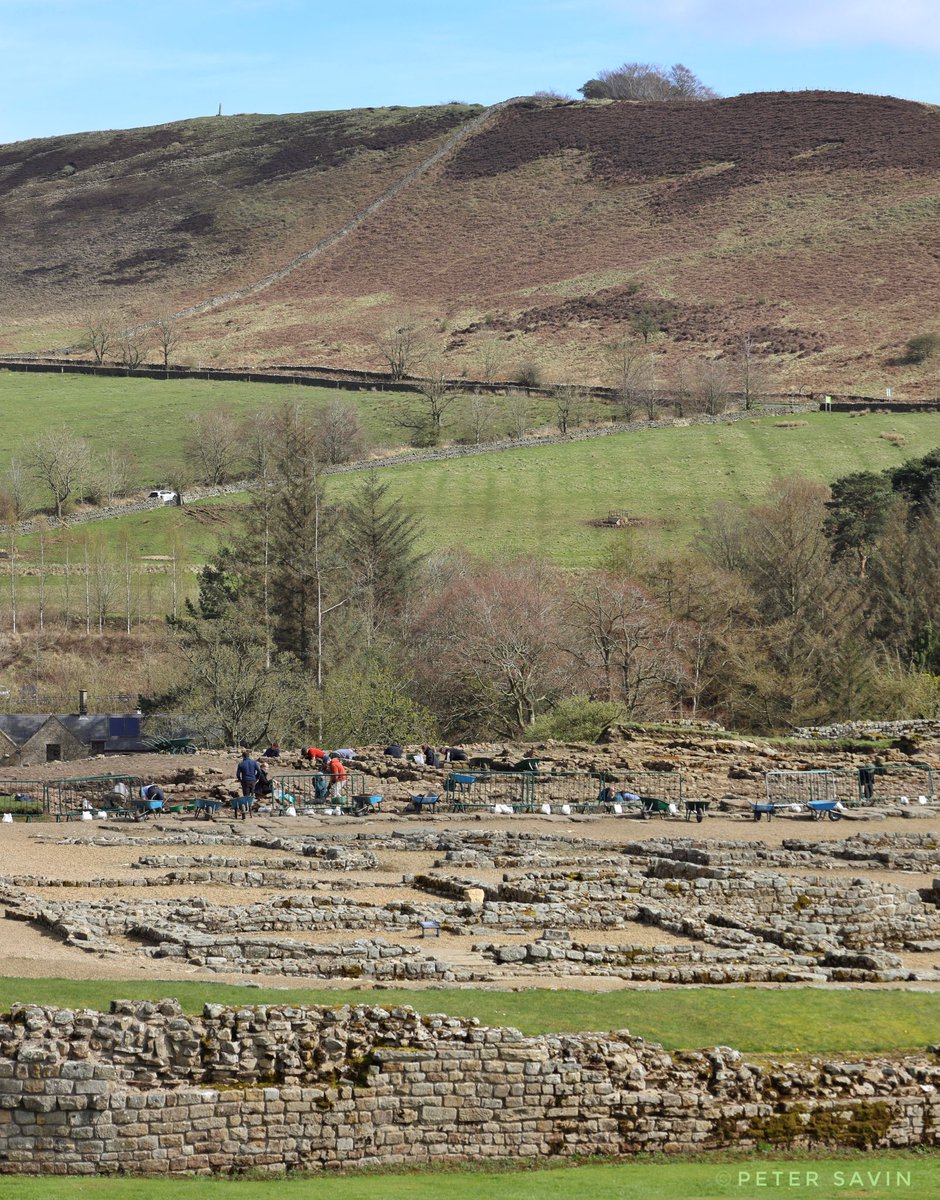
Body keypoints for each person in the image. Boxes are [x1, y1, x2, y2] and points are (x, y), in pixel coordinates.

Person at [235, 750, 260, 819]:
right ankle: (250, 811)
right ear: (249, 756)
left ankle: (245, 810)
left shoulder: (241, 764)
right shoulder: (254, 763)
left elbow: (237, 774)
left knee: (246, 796)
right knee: (251, 796)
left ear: (243, 757)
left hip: (245, 781)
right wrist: (256, 778)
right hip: (252, 781)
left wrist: (240, 780)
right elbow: (259, 771)